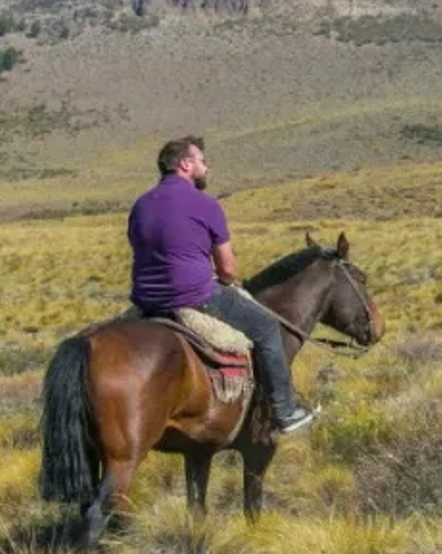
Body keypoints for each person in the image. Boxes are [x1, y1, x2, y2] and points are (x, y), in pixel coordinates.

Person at [128, 136, 315, 433]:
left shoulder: (140, 205)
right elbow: (228, 269)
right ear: (185, 164)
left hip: (146, 300)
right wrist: (220, 278)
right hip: (194, 296)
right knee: (266, 328)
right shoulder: (205, 204)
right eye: (202, 160)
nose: (207, 166)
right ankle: (284, 411)